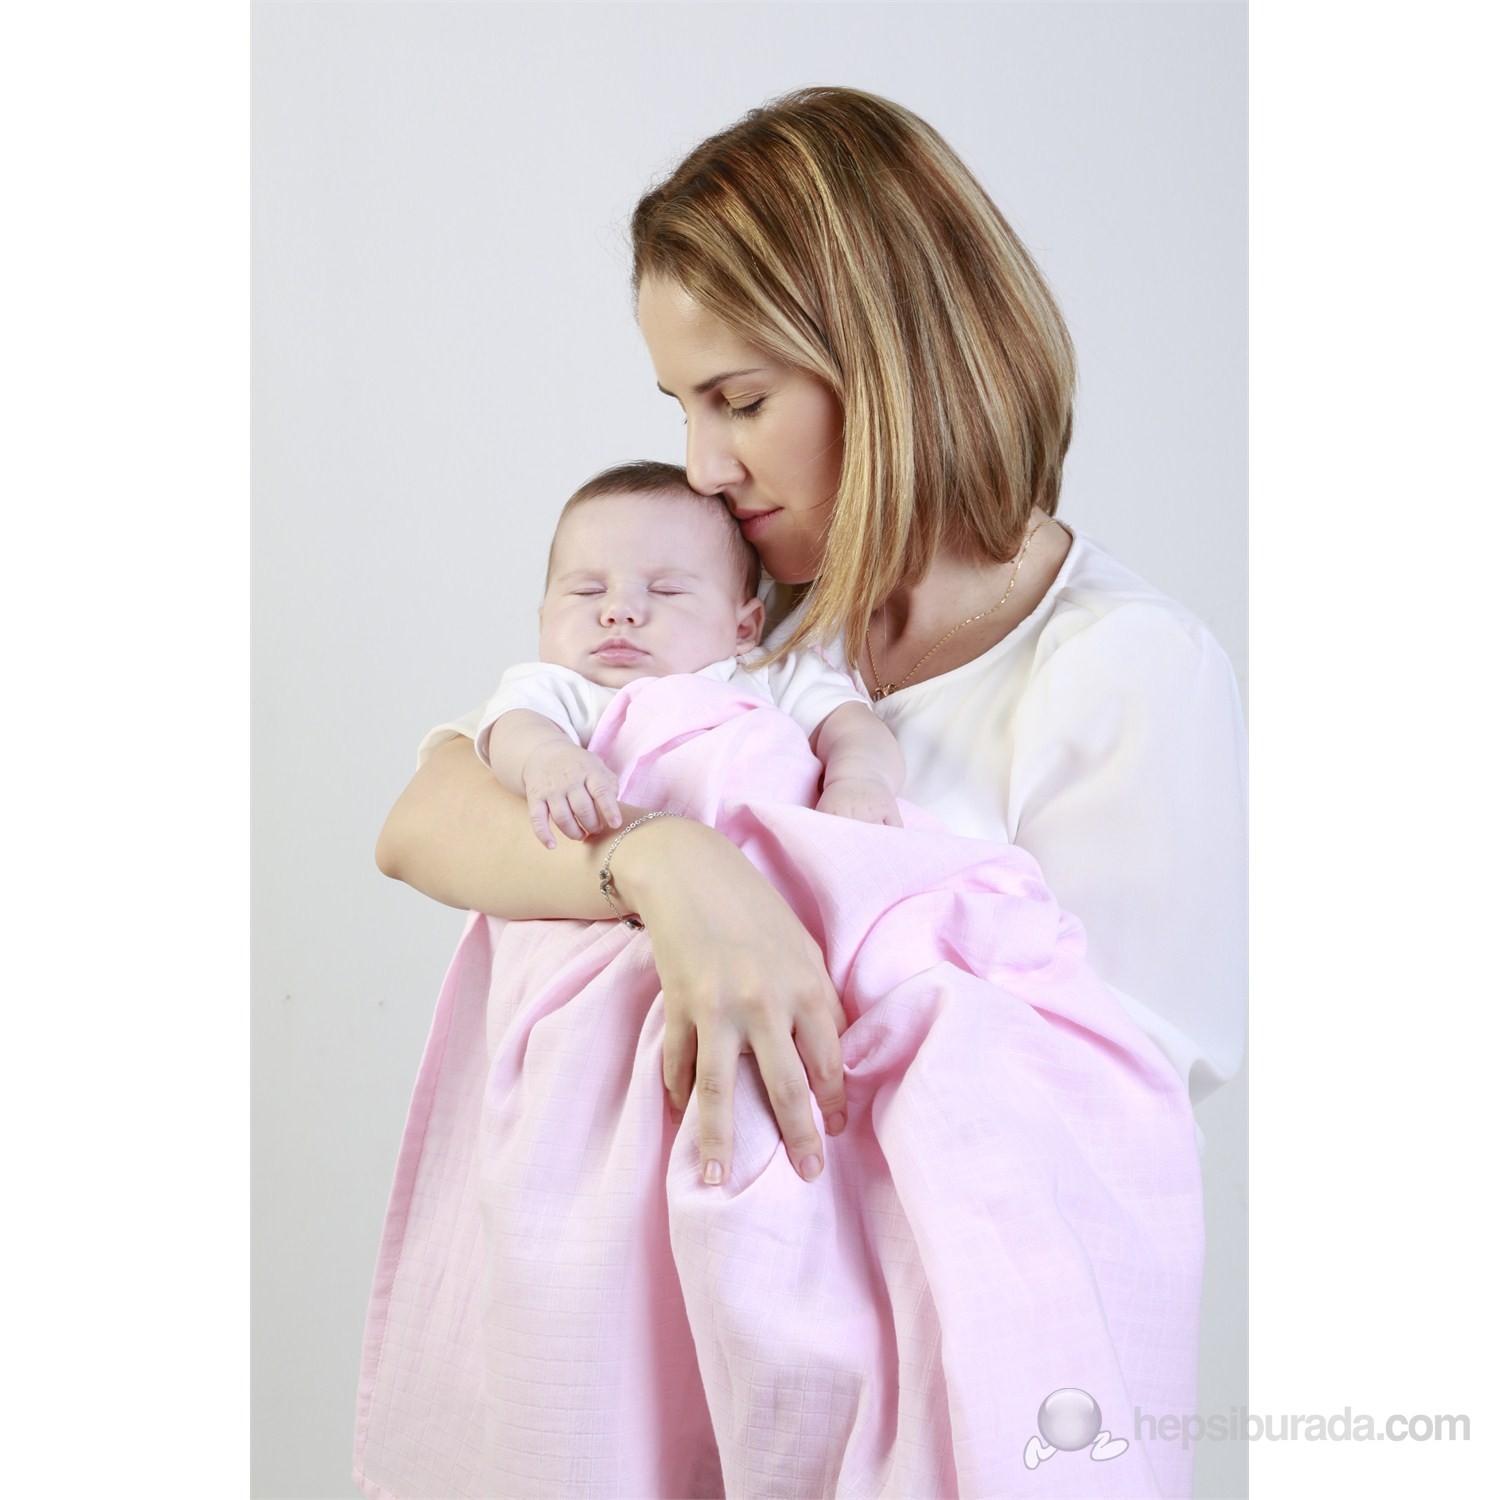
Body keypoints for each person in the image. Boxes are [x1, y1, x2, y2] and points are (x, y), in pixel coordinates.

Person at [365, 86, 1245, 1497]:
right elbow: (426, 818)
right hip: (666, 1389)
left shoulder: (1123, 679)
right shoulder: (742, 630)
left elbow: (1079, 1155)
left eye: (741, 401)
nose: (703, 468)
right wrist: (668, 867)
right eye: (679, 408)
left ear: (891, 362)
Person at [479, 459, 905, 852]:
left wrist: (859, 779)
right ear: (542, 620)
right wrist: (547, 758)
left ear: (743, 629)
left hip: (791, 868)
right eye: (587, 591)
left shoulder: (769, 675)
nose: (618, 610)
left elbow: (853, 727)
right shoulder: (563, 690)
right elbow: (513, 729)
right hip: (651, 887)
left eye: (665, 591)